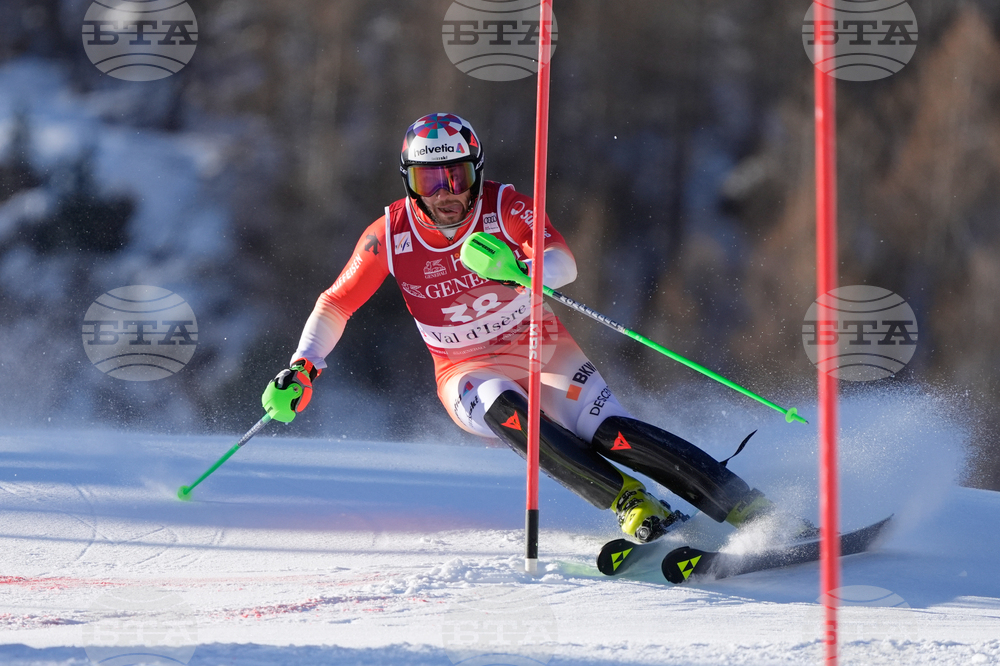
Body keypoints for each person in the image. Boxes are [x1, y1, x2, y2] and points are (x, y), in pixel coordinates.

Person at [262, 112, 811, 543]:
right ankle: (628, 503)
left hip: (540, 346)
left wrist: (521, 268)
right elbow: (337, 302)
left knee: (610, 432)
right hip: (464, 370)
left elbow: (563, 264)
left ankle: (748, 508)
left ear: (476, 169)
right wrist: (302, 367)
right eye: (430, 178)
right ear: (410, 181)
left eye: (457, 174)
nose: (446, 191)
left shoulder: (504, 206)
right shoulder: (390, 233)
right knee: (506, 405)